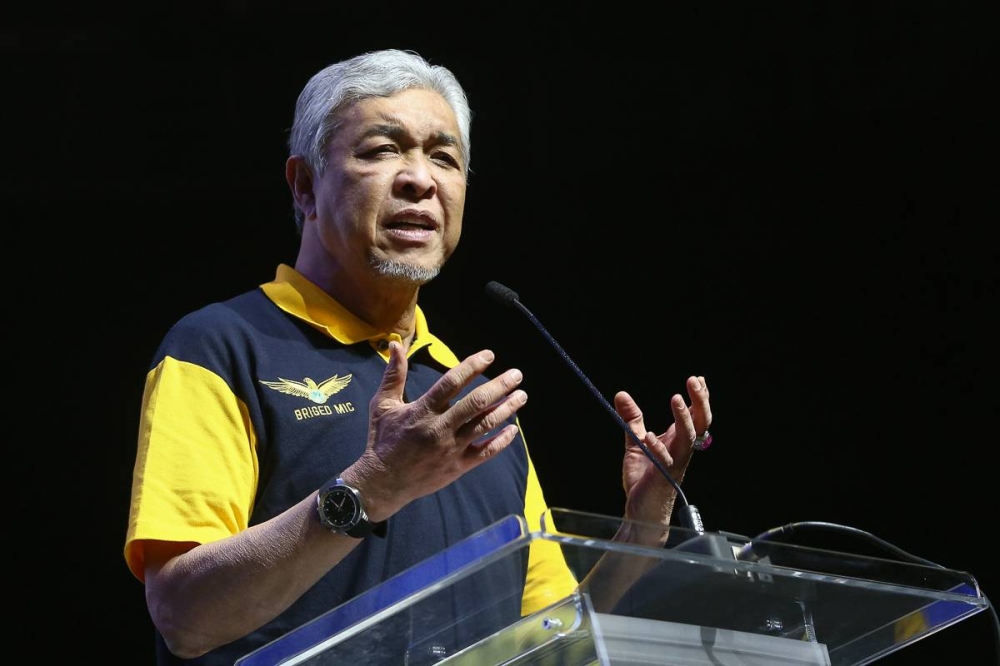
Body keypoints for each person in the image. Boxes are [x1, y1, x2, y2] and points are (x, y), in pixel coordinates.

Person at [124, 48, 713, 665]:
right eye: (381, 150)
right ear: (304, 186)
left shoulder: (470, 399)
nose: (420, 179)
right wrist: (372, 487)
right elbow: (185, 618)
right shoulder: (223, 347)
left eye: (444, 157)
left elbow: (552, 636)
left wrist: (639, 535)